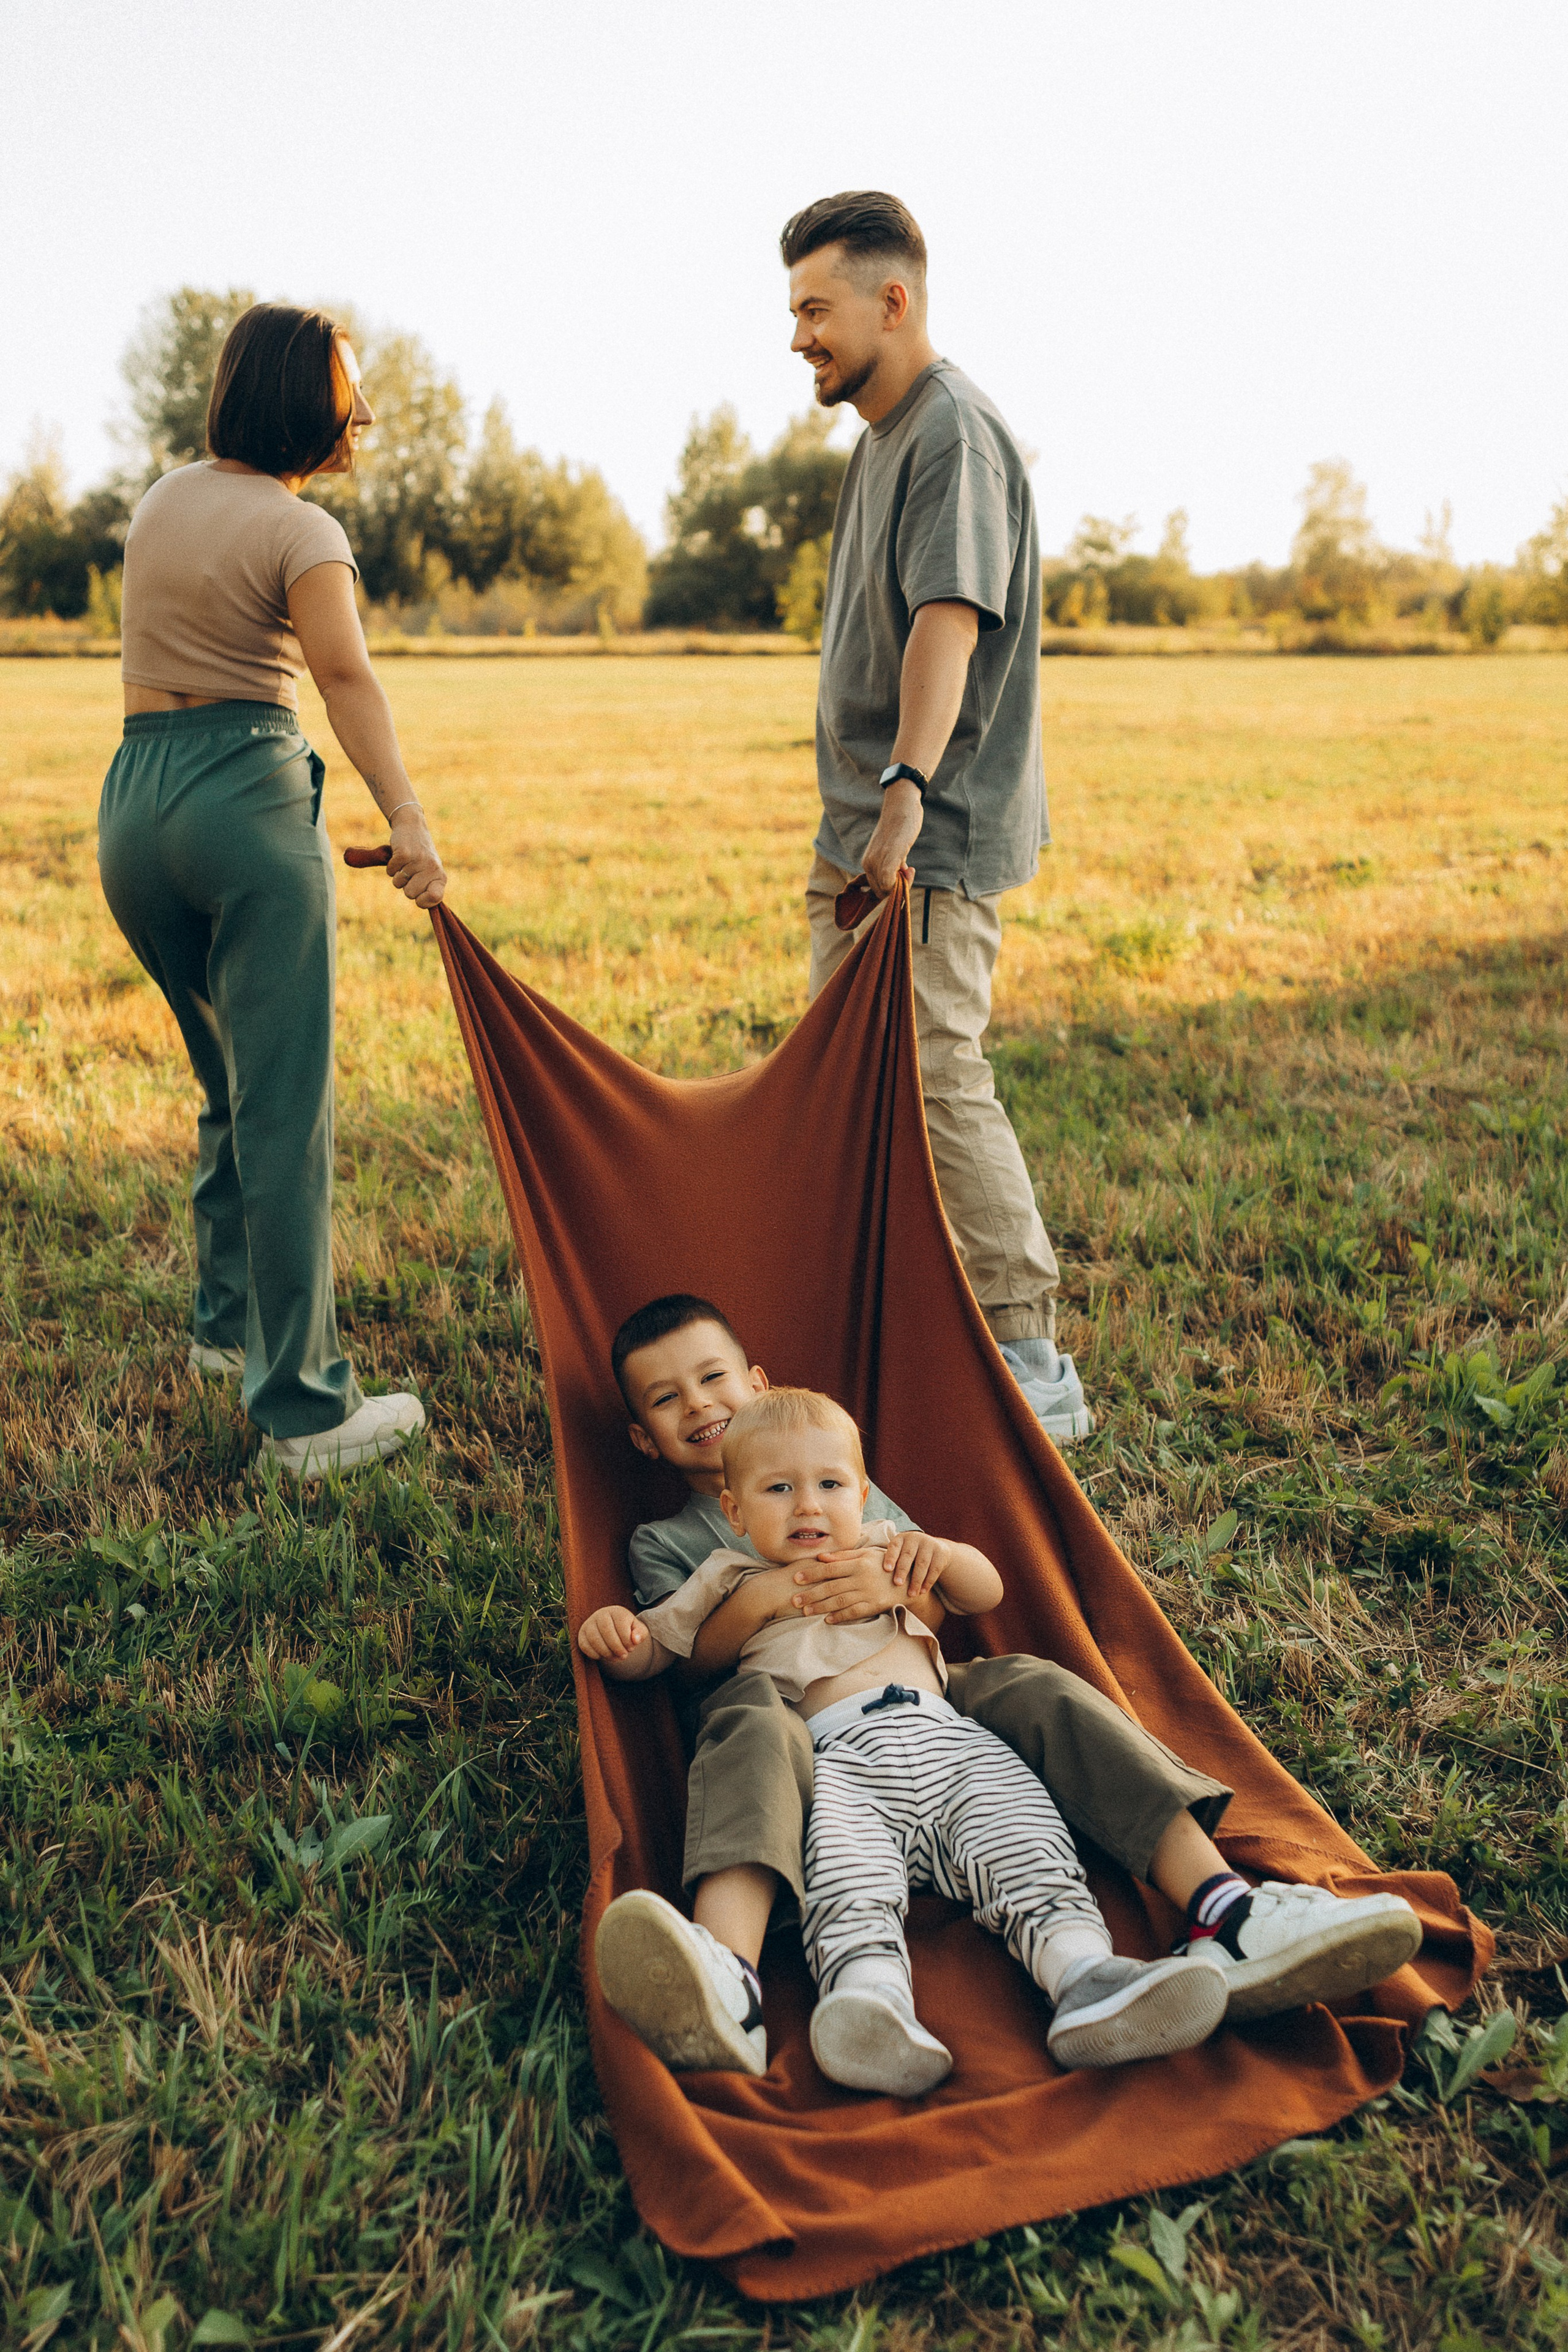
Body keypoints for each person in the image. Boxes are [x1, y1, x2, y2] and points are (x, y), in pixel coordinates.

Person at [581, 1295, 1423, 2076]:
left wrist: (911, 1578)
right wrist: (750, 1598)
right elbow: (682, 1662)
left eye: (713, 1378)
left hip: (937, 1700)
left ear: (758, 1384)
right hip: (808, 1734)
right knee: (755, 1729)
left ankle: (1224, 1910)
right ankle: (735, 1973)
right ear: (647, 1440)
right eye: (667, 1399)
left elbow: (964, 1594)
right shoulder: (677, 1544)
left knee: (1035, 1685)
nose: (698, 1405)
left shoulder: (856, 1499)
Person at [587, 1385, 1233, 2095]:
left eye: (830, 1484)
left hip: (951, 1740)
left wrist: (945, 1555)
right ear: (735, 1513)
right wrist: (619, 1637)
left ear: (863, 1495)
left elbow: (982, 1593)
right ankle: (870, 2003)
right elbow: (663, 1654)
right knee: (847, 1881)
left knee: (1022, 1846)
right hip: (834, 1762)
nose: (808, 1504)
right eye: (779, 1489)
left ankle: (1084, 1976)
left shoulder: (887, 1548)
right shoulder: (727, 1576)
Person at [99, 303, 445, 1480]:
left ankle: (223, 1329)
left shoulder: (163, 496)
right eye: (351, 391)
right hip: (242, 796)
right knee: (285, 1111)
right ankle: (302, 1410)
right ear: (306, 401)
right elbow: (343, 677)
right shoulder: (303, 529)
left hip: (133, 804)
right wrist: (407, 817)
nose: (363, 415)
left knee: (225, 1084)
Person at [781, 188, 1088, 1443]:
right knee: (848, 1086)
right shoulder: (881, 440)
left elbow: (944, 623)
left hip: (923, 833)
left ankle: (1030, 1361)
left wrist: (905, 792)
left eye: (814, 307)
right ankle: (887, 1319)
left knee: (932, 1074)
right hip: (857, 829)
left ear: (889, 298)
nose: (797, 335)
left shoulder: (951, 433)